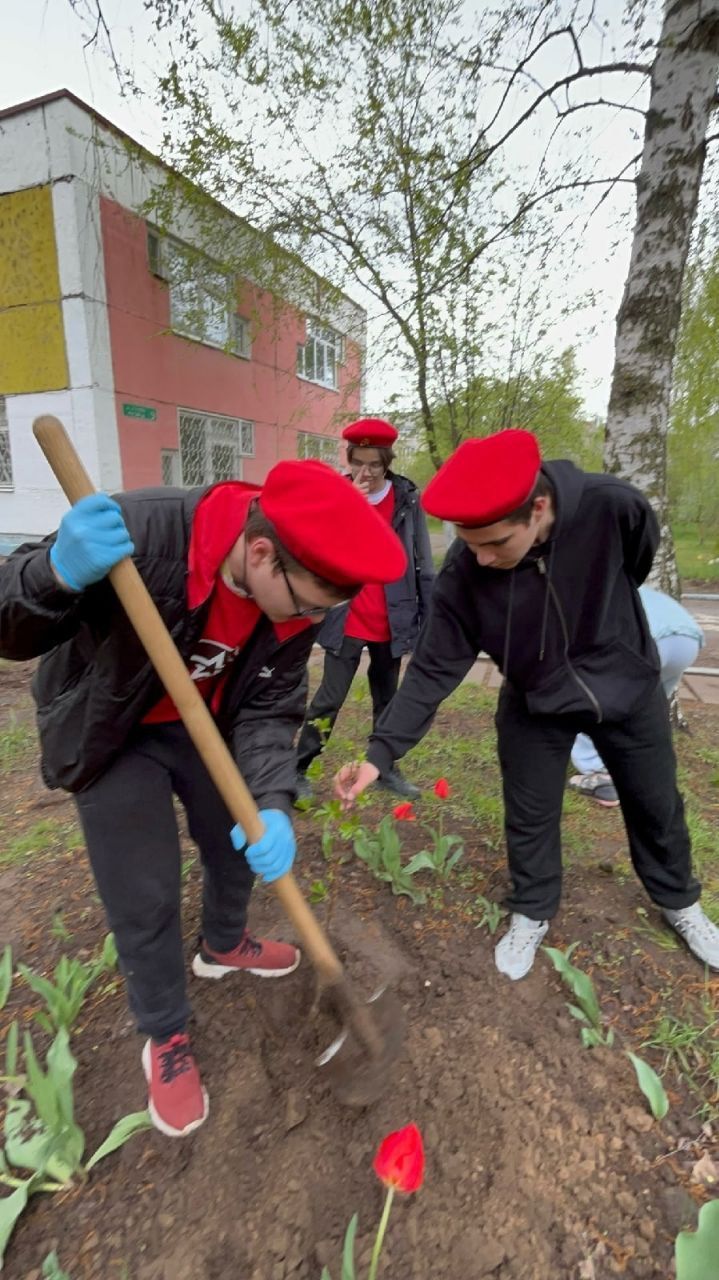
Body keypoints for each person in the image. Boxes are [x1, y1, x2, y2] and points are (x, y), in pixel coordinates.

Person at [0, 460, 406, 1137]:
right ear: (259, 552)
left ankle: (223, 944)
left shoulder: (296, 588)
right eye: (306, 606)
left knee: (234, 843)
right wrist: (56, 574)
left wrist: (272, 798)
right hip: (112, 731)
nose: (309, 620)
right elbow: (9, 625)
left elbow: (272, 703)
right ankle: (164, 1032)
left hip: (206, 725)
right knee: (147, 890)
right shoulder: (144, 534)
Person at [335, 429, 719, 981]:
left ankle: (680, 901)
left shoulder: (611, 506)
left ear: (539, 509)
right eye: (471, 544)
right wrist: (378, 754)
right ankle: (532, 911)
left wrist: (607, 629)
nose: (482, 558)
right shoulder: (467, 573)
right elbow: (433, 670)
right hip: (535, 699)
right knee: (530, 814)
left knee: (656, 802)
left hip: (625, 686)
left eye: (496, 544)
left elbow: (635, 561)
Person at [295, 418, 435, 802]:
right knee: (329, 698)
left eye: (375, 463)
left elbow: (422, 557)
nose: (366, 472)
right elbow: (317, 547)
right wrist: (348, 504)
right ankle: (299, 768)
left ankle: (386, 768)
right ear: (350, 459)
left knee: (388, 698)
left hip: (392, 615)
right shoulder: (338, 493)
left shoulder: (406, 496)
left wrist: (427, 614)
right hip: (348, 615)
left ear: (386, 461)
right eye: (359, 462)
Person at [569, 586, 705, 807]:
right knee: (650, 704)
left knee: (592, 698)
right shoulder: (624, 585)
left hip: (644, 639)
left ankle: (600, 776)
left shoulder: (582, 593)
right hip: (687, 639)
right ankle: (648, 768)